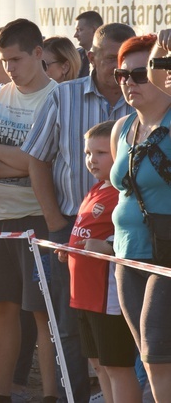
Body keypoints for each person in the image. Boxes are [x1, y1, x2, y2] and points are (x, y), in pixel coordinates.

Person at [22, 22, 135, 403]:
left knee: (124, 329)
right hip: (73, 227)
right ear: (90, 57)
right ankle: (77, 397)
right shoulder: (63, 97)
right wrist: (56, 224)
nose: (116, 70)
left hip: (128, 234)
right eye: (108, 59)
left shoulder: (143, 100)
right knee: (72, 327)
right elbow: (36, 159)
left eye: (124, 61)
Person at [0, 19, 58, 402]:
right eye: (4, 61)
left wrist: (3, 156)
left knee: (45, 315)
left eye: (16, 59)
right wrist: (23, 162)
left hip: (39, 217)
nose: (9, 68)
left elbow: (49, 162)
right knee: (0, 308)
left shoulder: (59, 97)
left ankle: (55, 394)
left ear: (39, 53)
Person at [56, 120, 142, 403]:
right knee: (99, 365)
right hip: (83, 294)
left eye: (101, 153)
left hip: (108, 298)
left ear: (119, 153)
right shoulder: (95, 190)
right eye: (87, 153)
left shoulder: (124, 193)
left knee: (118, 367)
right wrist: (71, 249)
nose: (92, 160)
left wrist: (105, 247)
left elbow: (133, 242)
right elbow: (85, 236)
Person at [109, 34, 171, 401]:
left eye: (140, 73)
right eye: (122, 74)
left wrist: (163, 54)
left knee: (156, 350)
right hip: (126, 252)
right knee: (149, 359)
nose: (129, 82)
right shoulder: (122, 127)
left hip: (166, 254)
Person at [74, 11, 104, 78]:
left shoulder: (107, 56)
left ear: (94, 30)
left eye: (79, 30)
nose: (75, 35)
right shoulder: (75, 56)